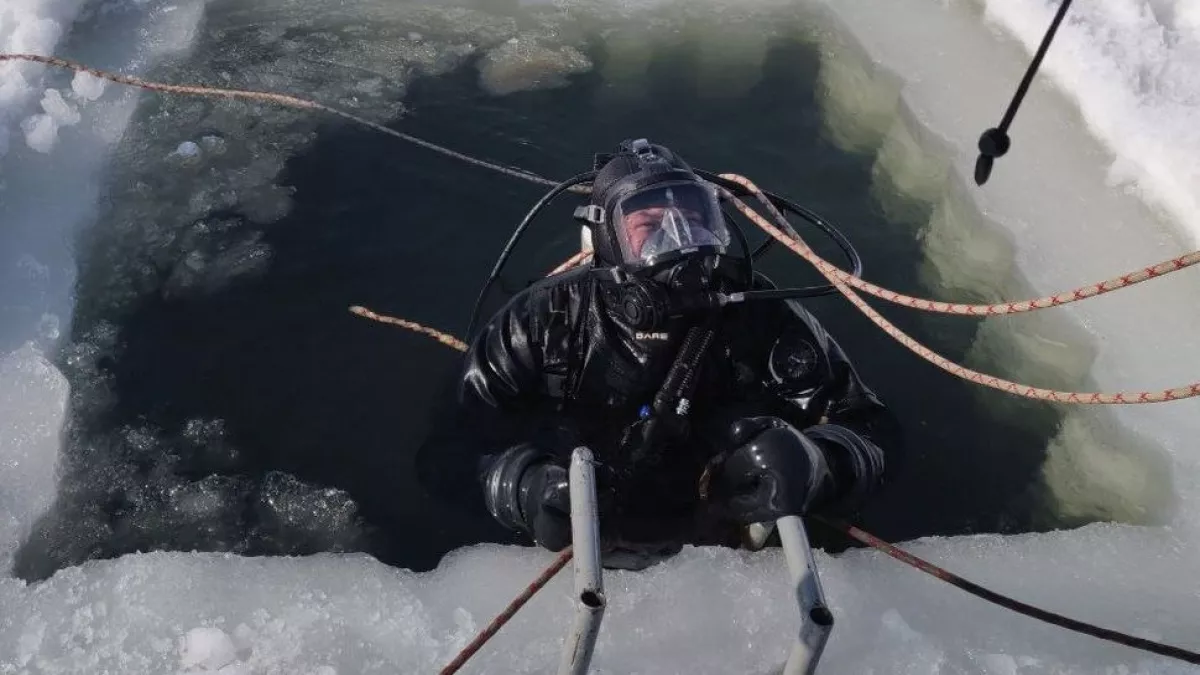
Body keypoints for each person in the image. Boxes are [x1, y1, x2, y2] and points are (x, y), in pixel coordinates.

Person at [415, 138, 902, 569]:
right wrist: (520, 489)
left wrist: (818, 463)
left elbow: (874, 433)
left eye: (694, 220)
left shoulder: (762, 317)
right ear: (607, 244)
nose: (680, 242)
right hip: (569, 543)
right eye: (649, 226)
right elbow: (446, 454)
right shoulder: (540, 322)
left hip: (718, 551)